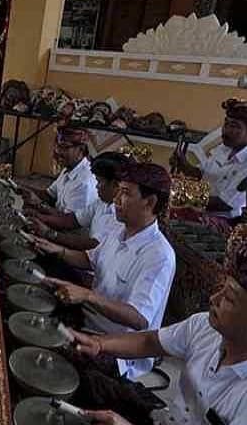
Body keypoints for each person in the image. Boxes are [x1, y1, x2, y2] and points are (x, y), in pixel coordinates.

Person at [69, 239, 247, 425]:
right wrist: (99, 344)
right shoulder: (205, 326)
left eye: (228, 298)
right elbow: (149, 341)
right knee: (85, 376)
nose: (214, 299)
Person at [33, 162, 176, 380]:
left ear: (150, 202)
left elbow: (139, 318)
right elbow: (89, 259)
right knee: (37, 298)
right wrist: (55, 248)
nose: (117, 199)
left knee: (46, 352)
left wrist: (88, 295)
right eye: (118, 190)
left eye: (126, 193)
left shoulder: (159, 255)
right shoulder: (118, 229)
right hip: (89, 319)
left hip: (115, 347)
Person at [171, 98, 247, 231]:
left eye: (235, 126)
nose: (226, 130)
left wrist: (183, 198)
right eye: (226, 124)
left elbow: (224, 204)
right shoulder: (223, 149)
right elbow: (202, 174)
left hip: (225, 222)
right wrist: (184, 165)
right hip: (202, 210)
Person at [29, 151, 130, 251]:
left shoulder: (121, 214)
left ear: (115, 184)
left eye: (99, 181)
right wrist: (39, 217)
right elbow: (72, 220)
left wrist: (49, 233)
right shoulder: (102, 202)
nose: (96, 186)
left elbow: (92, 245)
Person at [22, 127, 98, 218]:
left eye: (65, 147)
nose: (58, 152)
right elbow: (49, 196)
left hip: (70, 230)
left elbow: (68, 221)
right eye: (58, 146)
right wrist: (20, 187)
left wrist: (39, 206)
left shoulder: (83, 183)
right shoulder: (70, 167)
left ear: (81, 149)